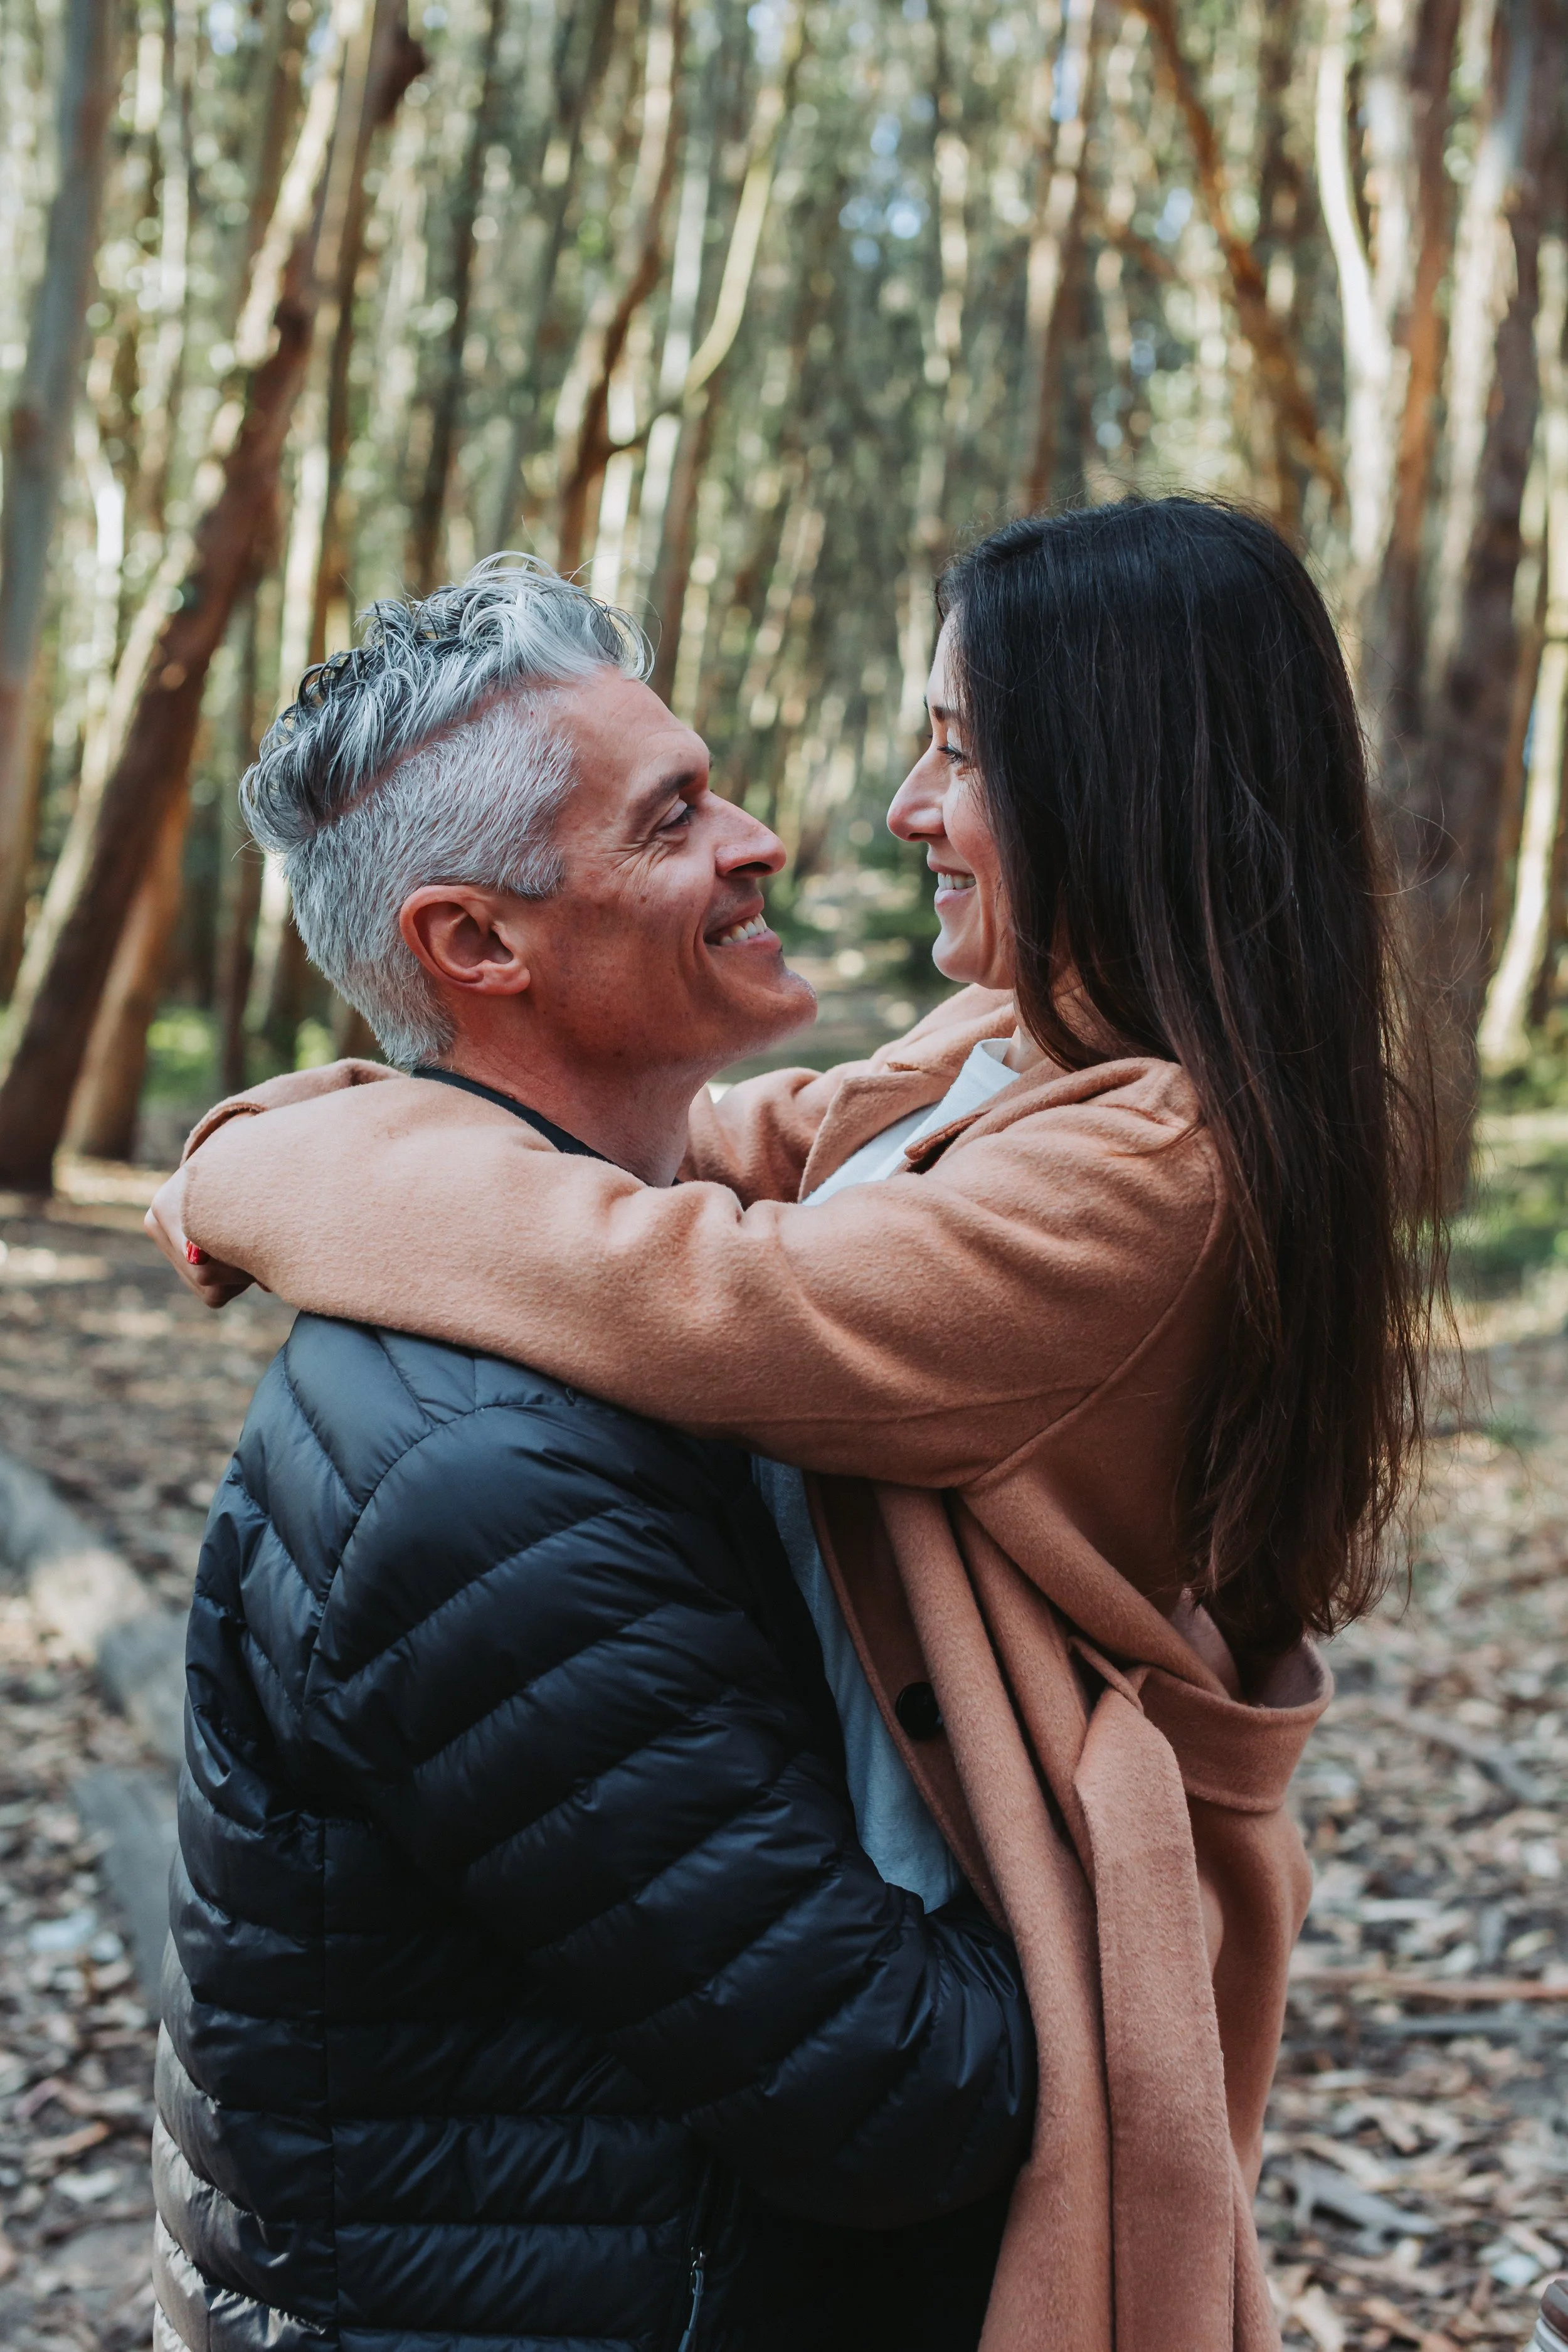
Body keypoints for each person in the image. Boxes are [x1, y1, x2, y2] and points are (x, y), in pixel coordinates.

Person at [151, 502, 1445, 2352]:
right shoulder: (1006, 1059)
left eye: (959, 750)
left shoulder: (1149, 1157)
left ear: (1122, 779)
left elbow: (704, 1278)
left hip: (1036, 1933)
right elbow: (727, 1157)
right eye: (673, 816)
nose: (888, 811)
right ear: (477, 940)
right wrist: (320, 1124)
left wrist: (264, 1163)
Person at [146, 563, 1037, 2352]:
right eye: (675, 817)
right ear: (477, 944)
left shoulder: (613, 1295)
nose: (763, 838)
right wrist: (1129, 1894)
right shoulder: (485, 1471)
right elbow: (891, 2093)